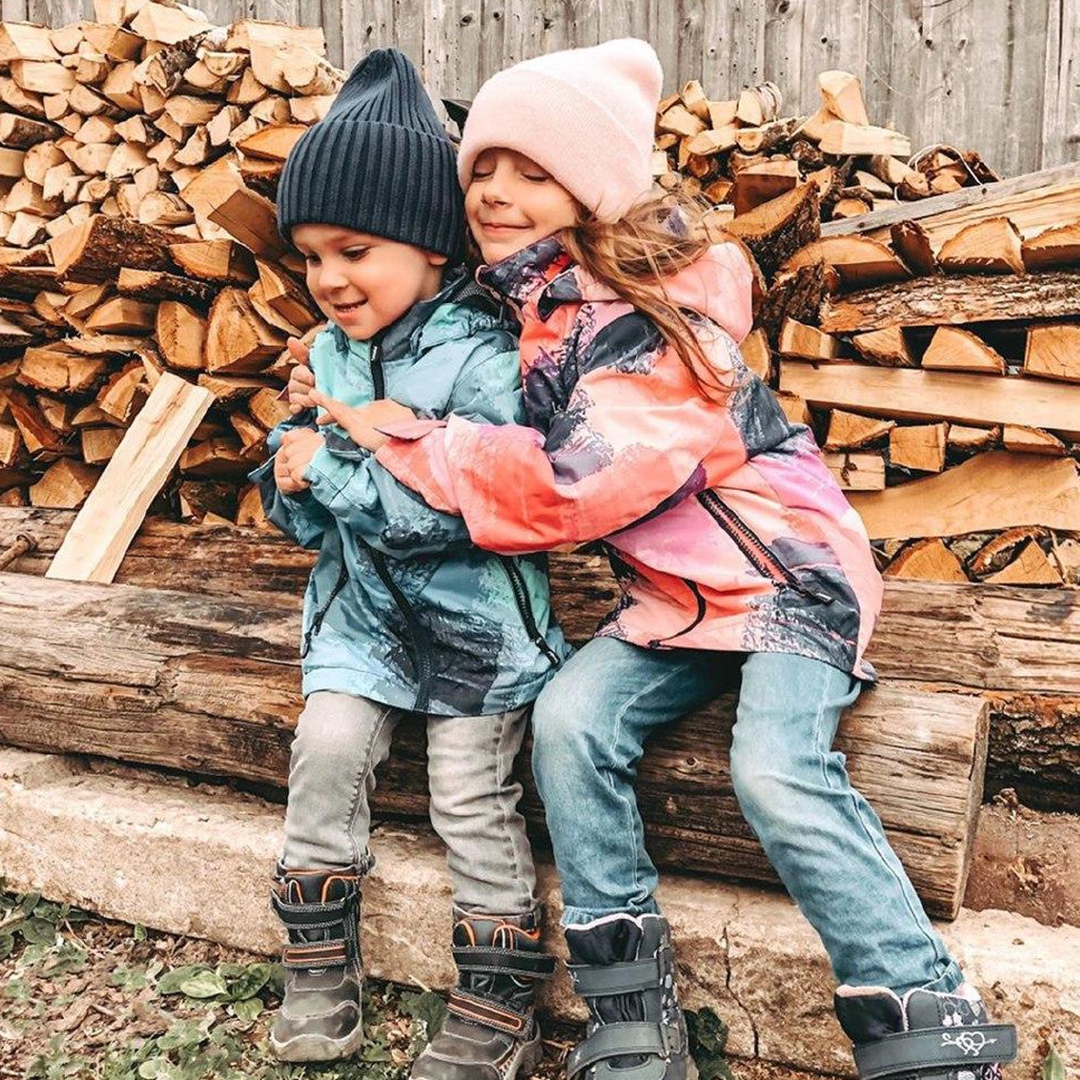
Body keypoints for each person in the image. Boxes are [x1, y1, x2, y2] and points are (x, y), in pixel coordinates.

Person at [301, 38, 1017, 1080]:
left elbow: (580, 481)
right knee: (571, 721)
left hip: (785, 574)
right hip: (673, 600)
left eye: (532, 172)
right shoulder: (529, 304)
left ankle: (926, 1019)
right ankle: (630, 1011)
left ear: (590, 188)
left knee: (775, 770)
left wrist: (403, 436)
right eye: (483, 169)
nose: (496, 191)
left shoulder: (655, 312)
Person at [253, 47, 567, 1078]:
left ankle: (494, 1000)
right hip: (364, 623)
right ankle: (315, 968)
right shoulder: (333, 350)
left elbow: (474, 511)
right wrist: (292, 481)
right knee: (328, 750)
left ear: (431, 245)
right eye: (309, 257)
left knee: (469, 796)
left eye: (354, 250)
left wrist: (336, 478)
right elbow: (312, 510)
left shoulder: (483, 359)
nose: (329, 278)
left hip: (478, 628)